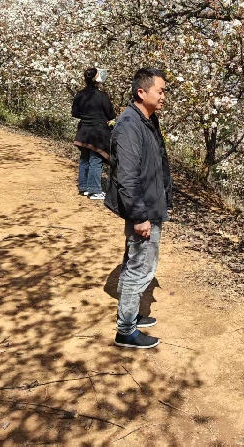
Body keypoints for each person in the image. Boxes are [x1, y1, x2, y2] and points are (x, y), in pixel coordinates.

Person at [104, 67, 171, 349]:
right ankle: (126, 330)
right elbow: (127, 177)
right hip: (143, 209)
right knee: (141, 267)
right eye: (161, 90)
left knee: (137, 261)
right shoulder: (129, 126)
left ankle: (132, 316)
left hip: (150, 204)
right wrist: (140, 217)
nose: (164, 96)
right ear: (141, 93)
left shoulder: (146, 120)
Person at [72, 68, 117, 200]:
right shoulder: (102, 96)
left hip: (83, 131)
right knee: (96, 160)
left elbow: (75, 113)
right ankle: (94, 190)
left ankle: (84, 187)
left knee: (84, 158)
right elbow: (111, 115)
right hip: (98, 132)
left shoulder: (79, 94)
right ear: (97, 80)